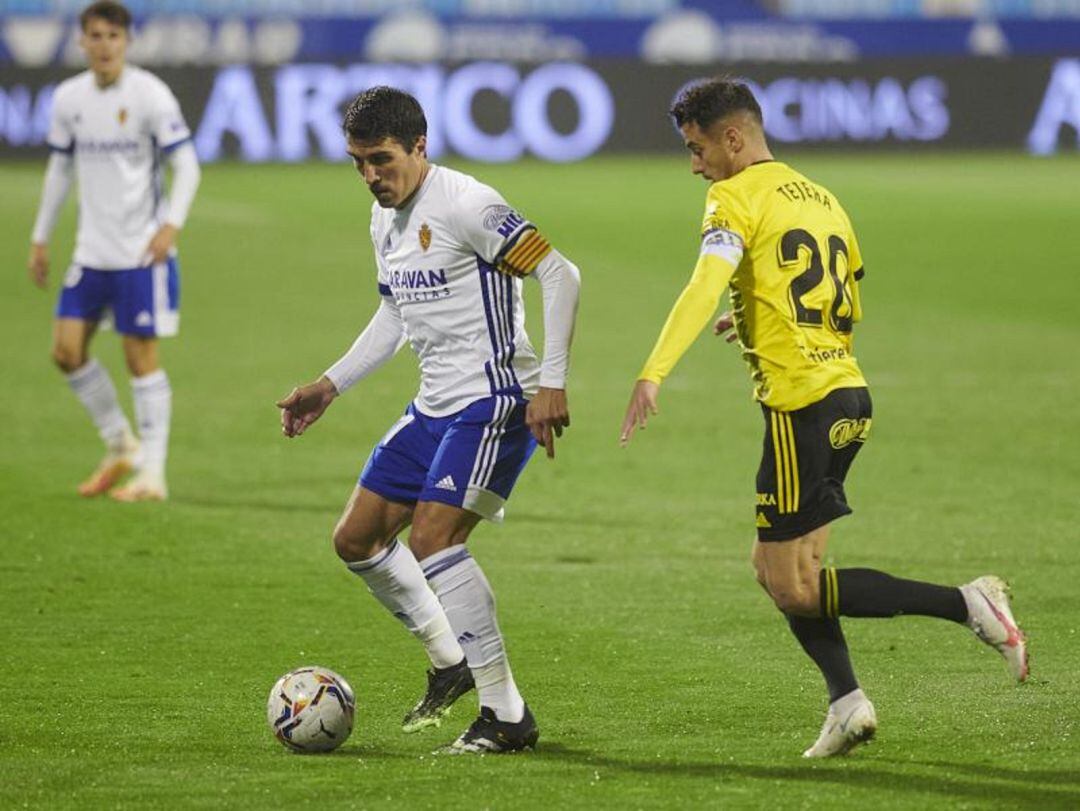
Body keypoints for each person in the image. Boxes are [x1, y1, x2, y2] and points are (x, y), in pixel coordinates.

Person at [619, 78, 1027, 758]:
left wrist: (653, 370)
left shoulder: (734, 195)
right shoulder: (821, 197)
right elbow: (841, 300)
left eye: (696, 149)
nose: (694, 166)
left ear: (732, 138)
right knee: (778, 568)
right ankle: (847, 701)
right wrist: (751, 312)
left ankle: (968, 604)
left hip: (799, 405)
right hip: (849, 393)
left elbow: (704, 281)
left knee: (794, 584)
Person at [277, 86, 580, 754]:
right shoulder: (383, 218)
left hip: (497, 399)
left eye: (381, 160)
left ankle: (506, 715)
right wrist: (331, 383)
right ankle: (452, 658)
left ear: (420, 146)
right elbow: (395, 313)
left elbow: (561, 274)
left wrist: (552, 382)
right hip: (434, 404)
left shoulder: (469, 206)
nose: (370, 176)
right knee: (355, 539)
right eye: (357, 162)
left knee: (435, 539)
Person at [28, 1, 200, 502]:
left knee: (139, 358)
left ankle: (153, 474)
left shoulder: (150, 95)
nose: (103, 45)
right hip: (90, 252)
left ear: (126, 42)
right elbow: (60, 170)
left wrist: (171, 225)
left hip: (139, 253)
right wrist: (41, 235)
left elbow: (187, 165)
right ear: (81, 41)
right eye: (95, 36)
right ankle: (120, 444)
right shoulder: (68, 99)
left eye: (112, 36)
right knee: (66, 352)